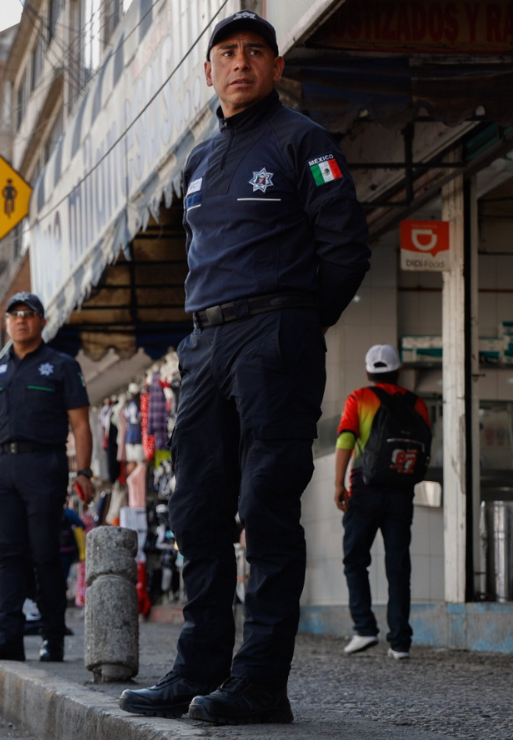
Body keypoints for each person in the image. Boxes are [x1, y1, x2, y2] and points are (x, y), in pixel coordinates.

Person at [118, 10, 370, 726]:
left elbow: (346, 248)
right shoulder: (199, 161)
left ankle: (260, 682)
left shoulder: (304, 141)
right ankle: (197, 670)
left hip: (275, 338)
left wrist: (295, 321)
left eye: (255, 52)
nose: (239, 63)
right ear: (208, 71)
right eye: (226, 53)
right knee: (197, 510)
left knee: (265, 508)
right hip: (203, 347)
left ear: (275, 66)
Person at [0, 291, 95, 663]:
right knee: (7, 554)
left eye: (28, 313)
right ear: (6, 323)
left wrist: (83, 471)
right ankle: (9, 636)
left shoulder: (61, 366)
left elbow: (81, 425)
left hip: (44, 465)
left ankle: (52, 638)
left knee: (44, 553)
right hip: (1, 470)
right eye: (14, 314)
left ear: (41, 321)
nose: (21, 319)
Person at [335, 344, 429, 661]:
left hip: (365, 488)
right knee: (398, 566)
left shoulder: (360, 397)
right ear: (397, 372)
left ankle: (364, 628)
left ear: (368, 372)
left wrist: (338, 483)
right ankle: (400, 643)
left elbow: (346, 438)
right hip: (402, 491)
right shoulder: (418, 404)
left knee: (355, 559)